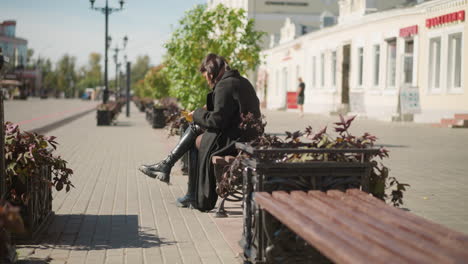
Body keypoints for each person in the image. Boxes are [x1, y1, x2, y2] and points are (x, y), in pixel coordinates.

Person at [139, 53, 261, 211]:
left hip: (237, 140)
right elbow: (222, 111)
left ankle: (180, 181)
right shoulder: (238, 81)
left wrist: (197, 113)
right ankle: (172, 172)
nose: (207, 81)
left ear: (211, 73)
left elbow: (217, 120)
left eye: (206, 77)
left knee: (195, 136)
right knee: (195, 130)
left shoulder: (225, 85)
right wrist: (201, 112)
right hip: (245, 135)